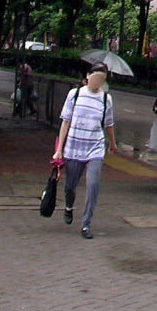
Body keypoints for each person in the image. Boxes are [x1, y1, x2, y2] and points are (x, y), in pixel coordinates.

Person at [52, 62, 117, 238]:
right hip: (74, 146)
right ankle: (68, 206)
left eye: (102, 80)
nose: (98, 82)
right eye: (96, 78)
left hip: (95, 147)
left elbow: (108, 124)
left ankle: (86, 225)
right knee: (69, 187)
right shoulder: (75, 94)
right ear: (88, 76)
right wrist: (59, 150)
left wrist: (113, 143)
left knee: (93, 185)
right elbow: (65, 121)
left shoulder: (106, 99)